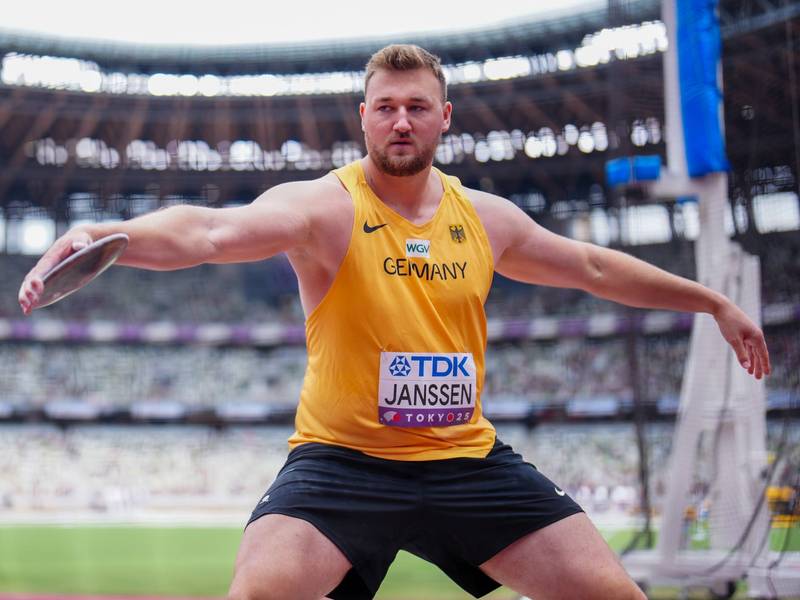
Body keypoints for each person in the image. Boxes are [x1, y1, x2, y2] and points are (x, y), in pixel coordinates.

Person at [19, 44, 770, 600]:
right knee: (255, 597)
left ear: (444, 117)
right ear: (364, 118)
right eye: (386, 107)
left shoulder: (487, 218)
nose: (400, 121)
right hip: (342, 465)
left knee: (619, 598)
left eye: (416, 107)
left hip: (466, 462)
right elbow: (211, 232)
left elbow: (595, 268)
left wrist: (713, 301)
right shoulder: (325, 208)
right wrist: (97, 239)